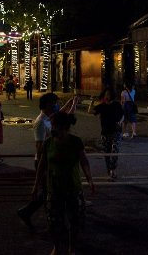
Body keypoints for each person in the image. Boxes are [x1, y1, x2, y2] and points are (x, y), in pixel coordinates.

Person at [33, 110, 95, 255]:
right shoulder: (48, 143)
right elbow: (42, 165)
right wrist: (36, 186)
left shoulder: (75, 142)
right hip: (53, 188)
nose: (53, 129)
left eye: (56, 127)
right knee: (54, 222)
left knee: (75, 222)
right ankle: (57, 246)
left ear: (65, 128)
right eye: (53, 126)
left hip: (73, 188)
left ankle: (71, 249)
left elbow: (84, 161)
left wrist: (90, 179)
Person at [17, 92, 59, 229]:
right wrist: (44, 165)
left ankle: (27, 212)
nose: (57, 105)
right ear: (48, 104)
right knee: (49, 192)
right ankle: (50, 219)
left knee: (49, 191)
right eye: (55, 103)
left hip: (50, 159)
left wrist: (73, 104)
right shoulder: (40, 122)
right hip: (44, 160)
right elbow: (39, 146)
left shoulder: (48, 118)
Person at [90, 87, 124, 180]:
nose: (107, 96)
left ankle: (113, 170)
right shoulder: (102, 106)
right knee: (107, 153)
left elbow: (122, 115)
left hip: (116, 131)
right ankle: (109, 170)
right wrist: (92, 101)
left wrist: (120, 122)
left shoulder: (117, 104)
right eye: (105, 94)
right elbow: (91, 111)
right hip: (105, 132)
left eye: (108, 94)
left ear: (112, 95)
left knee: (115, 150)